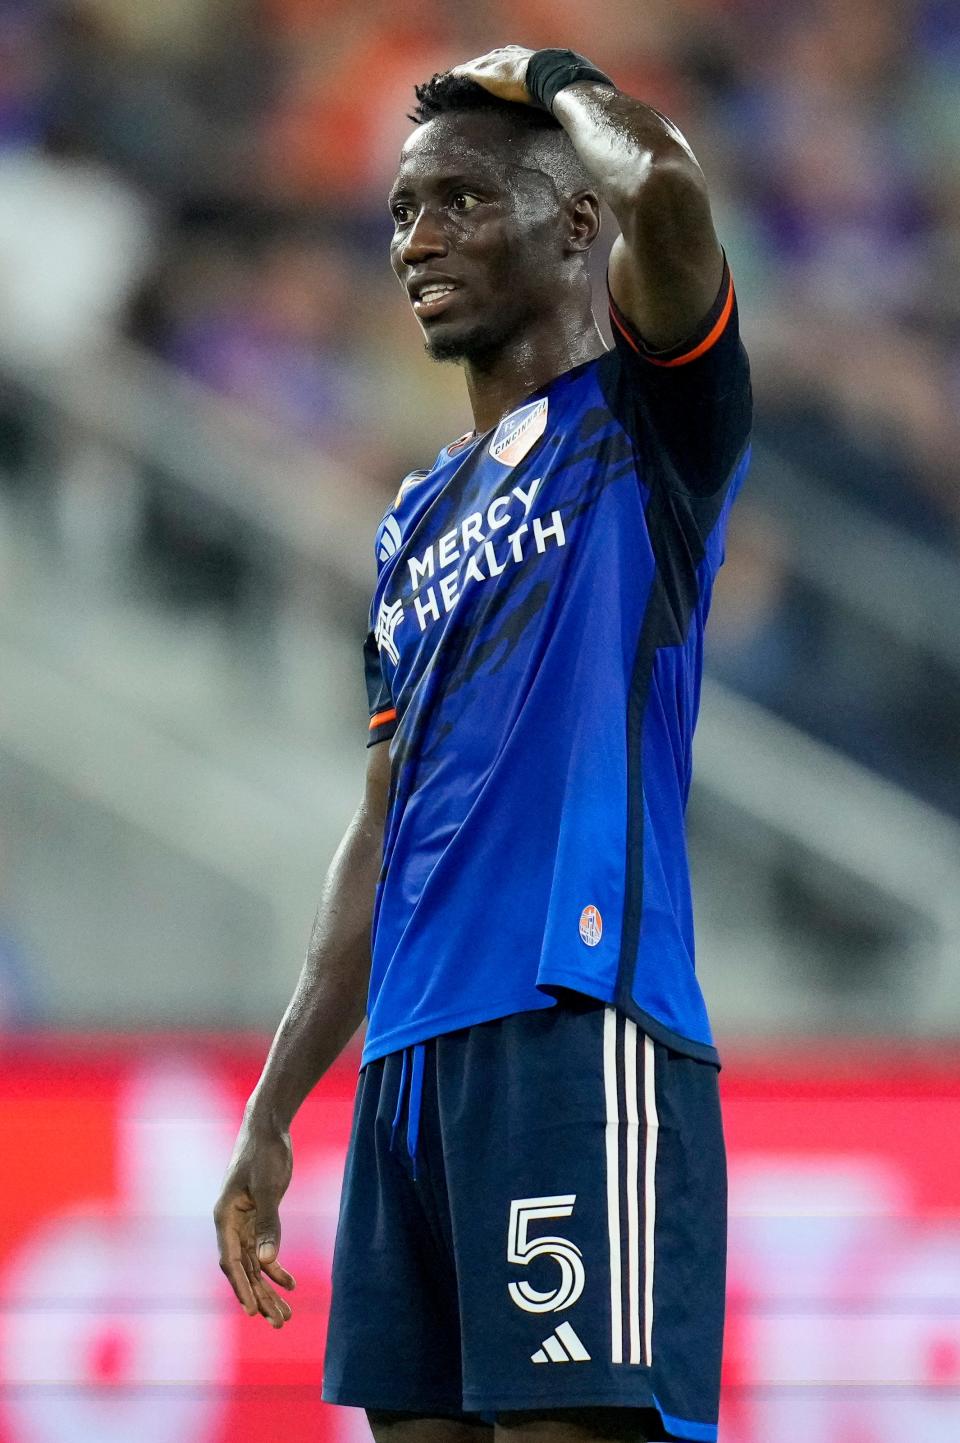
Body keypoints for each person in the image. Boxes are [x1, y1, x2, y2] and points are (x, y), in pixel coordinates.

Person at [214, 44, 751, 1443]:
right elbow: (383, 822)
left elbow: (673, 193)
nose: (417, 239)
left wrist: (560, 81)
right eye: (400, 212)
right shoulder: (411, 524)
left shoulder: (650, 426)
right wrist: (277, 1108)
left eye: (458, 201)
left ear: (575, 224)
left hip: (574, 1031)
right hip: (409, 1071)